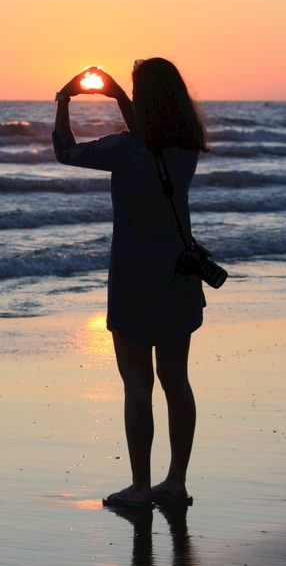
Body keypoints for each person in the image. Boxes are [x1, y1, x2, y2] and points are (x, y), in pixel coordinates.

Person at [52, 59, 209, 508]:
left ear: (143, 101)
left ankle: (141, 488)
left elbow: (66, 150)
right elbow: (151, 142)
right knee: (176, 381)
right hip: (179, 274)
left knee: (137, 383)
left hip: (133, 280)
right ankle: (175, 483)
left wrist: (64, 99)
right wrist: (121, 96)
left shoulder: (124, 149)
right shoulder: (187, 146)